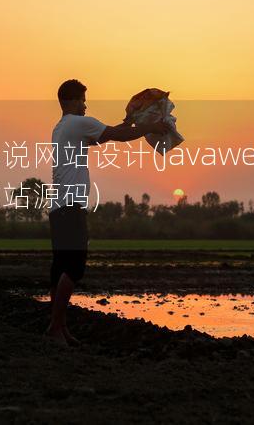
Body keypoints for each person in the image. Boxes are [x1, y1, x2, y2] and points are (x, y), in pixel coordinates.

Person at [46, 79, 168, 346]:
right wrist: (151, 127)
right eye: (82, 100)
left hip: (59, 209)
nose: (85, 105)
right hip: (70, 208)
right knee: (74, 268)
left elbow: (106, 135)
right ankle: (55, 328)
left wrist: (129, 122)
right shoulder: (77, 123)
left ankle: (59, 327)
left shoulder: (62, 127)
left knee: (60, 268)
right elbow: (117, 136)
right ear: (71, 101)